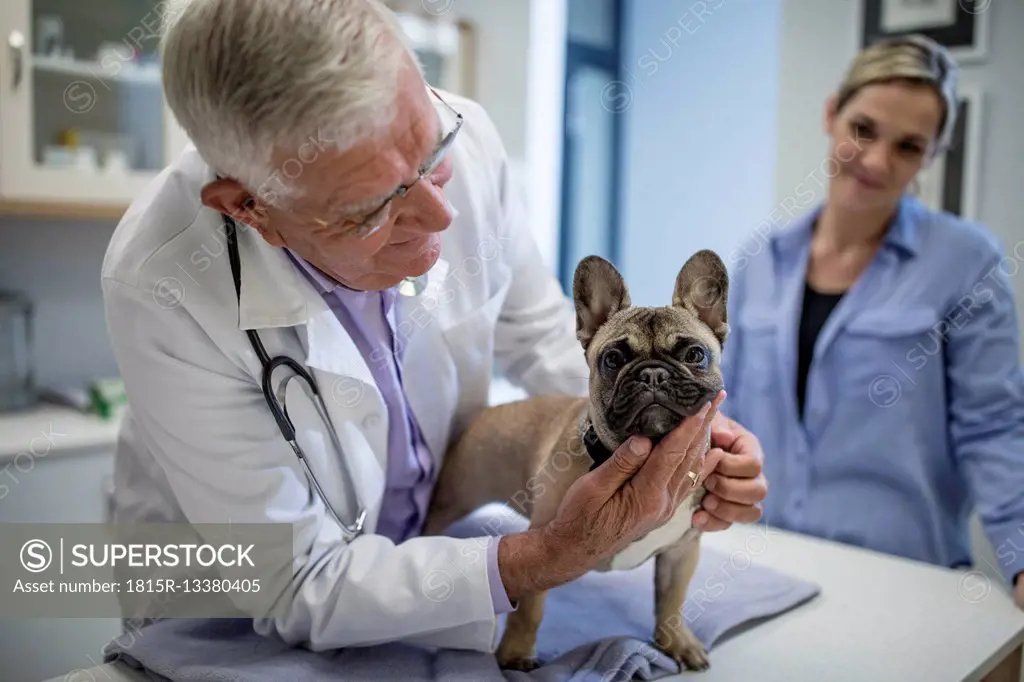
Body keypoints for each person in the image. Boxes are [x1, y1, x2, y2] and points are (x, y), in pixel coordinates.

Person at [101, 0, 767, 652]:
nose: (440, 215)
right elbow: (295, 579)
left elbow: (543, 338)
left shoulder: (469, 136)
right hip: (227, 613)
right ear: (252, 208)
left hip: (430, 549)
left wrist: (675, 435)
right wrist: (541, 556)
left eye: (431, 152)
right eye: (372, 209)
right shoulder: (165, 283)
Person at [720, 34, 1024, 608]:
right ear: (832, 114)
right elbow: (723, 410)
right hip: (761, 568)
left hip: (906, 584)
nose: (879, 161)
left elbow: (995, 428)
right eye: (864, 130)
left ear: (933, 154)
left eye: (909, 146)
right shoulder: (759, 262)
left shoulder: (967, 263)